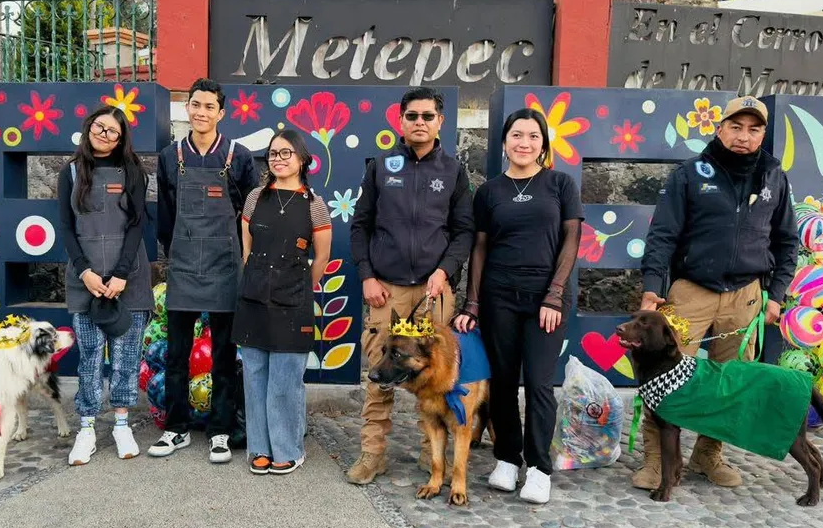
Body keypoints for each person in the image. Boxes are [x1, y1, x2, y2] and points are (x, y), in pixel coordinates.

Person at [634, 96, 797, 490]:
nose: (744, 136)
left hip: (746, 295)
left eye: (754, 129)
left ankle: (708, 454)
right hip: (691, 291)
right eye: (736, 127)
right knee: (664, 378)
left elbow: (787, 241)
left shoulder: (775, 176)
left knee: (730, 382)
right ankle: (655, 459)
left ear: (763, 134)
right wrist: (652, 290)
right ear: (719, 128)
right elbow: (662, 236)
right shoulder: (690, 173)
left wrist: (775, 295)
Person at [346, 86, 475, 485]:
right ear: (400, 121)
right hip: (385, 288)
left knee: (437, 376)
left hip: (434, 289)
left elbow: (464, 231)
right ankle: (372, 455)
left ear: (440, 121)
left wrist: (446, 271)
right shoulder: (381, 167)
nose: (419, 122)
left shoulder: (454, 172)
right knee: (380, 372)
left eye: (427, 116)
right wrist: (367, 275)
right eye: (412, 116)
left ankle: (429, 452)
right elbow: (360, 225)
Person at [453, 108, 581, 505]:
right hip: (498, 297)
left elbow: (571, 241)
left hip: (546, 299)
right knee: (504, 383)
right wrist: (472, 303)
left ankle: (540, 467)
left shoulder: (560, 184)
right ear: (504, 142)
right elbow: (479, 248)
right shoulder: (489, 191)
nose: (524, 143)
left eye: (533, 136)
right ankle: (508, 457)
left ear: (544, 144)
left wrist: (554, 294)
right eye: (516, 136)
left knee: (540, 384)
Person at [151, 78, 260, 463]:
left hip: (225, 266)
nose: (200, 112)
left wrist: (243, 260)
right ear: (188, 108)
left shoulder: (239, 156)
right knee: (177, 354)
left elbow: (251, 214)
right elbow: (165, 215)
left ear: (221, 112)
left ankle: (220, 430)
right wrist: (173, 253)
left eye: (209, 106)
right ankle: (176, 428)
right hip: (182, 264)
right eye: (195, 104)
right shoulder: (169, 156)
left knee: (224, 356)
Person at [59, 106, 154, 466]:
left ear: (121, 138)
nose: (104, 134)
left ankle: (121, 424)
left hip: (127, 277)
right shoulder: (69, 173)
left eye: (113, 131)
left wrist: (121, 274)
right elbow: (66, 228)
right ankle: (86, 427)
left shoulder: (132, 171)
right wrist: (85, 271)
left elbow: (136, 226)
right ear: (88, 127)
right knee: (89, 357)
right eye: (100, 127)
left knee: (127, 358)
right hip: (86, 279)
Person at [234, 130, 332, 475]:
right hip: (254, 296)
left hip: (294, 300)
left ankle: (288, 449)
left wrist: (300, 285)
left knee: (284, 380)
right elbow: (245, 249)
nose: (278, 159)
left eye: (286, 153)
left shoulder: (314, 205)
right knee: (255, 375)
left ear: (302, 159)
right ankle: (259, 448)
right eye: (273, 153)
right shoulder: (255, 198)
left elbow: (321, 257)